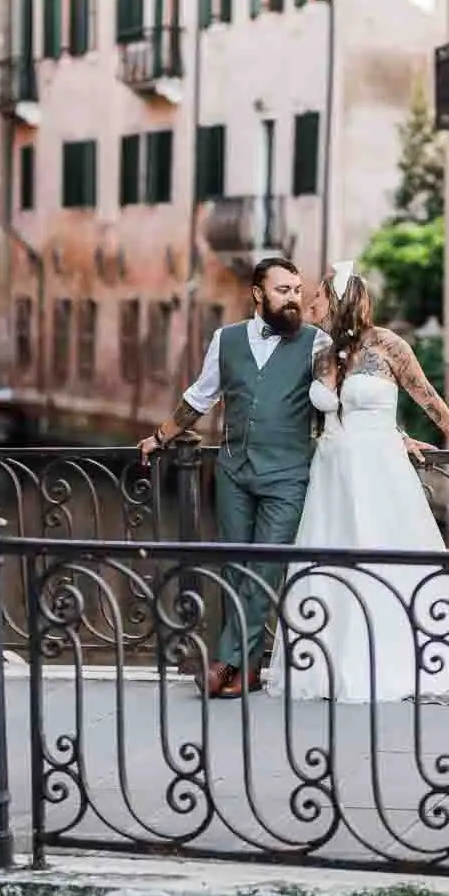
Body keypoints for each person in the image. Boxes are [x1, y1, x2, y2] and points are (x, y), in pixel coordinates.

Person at [266, 260, 449, 704]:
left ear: (339, 300)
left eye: (319, 295)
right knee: (332, 562)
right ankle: (331, 662)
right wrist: (402, 434)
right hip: (333, 475)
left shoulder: (389, 345)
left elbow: (425, 395)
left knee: (383, 558)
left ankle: (393, 659)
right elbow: (327, 413)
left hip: (378, 472)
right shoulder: (321, 353)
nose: (311, 302)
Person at [139, 257, 328, 696]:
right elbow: (199, 398)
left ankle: (223, 661)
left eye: (298, 290)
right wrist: (160, 437)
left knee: (263, 567)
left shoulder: (317, 343)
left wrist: (396, 436)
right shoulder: (226, 340)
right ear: (258, 294)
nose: (293, 298)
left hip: (288, 474)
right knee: (235, 567)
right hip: (234, 471)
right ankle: (249, 671)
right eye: (283, 290)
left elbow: (342, 397)